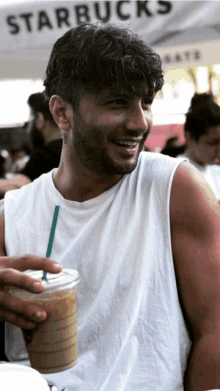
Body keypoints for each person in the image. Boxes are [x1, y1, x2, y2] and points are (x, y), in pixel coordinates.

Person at [0, 23, 220, 391]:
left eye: (146, 102)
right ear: (62, 113)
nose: (140, 122)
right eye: (117, 103)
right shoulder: (13, 215)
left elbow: (216, 331)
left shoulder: (176, 189)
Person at [0, 92, 62, 196]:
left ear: (40, 119)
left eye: (31, 118)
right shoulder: (69, 149)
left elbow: (18, 186)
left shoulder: (45, 155)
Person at [176, 93, 220, 201]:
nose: (219, 150)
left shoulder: (216, 172)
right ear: (189, 137)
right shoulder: (177, 174)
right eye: (212, 143)